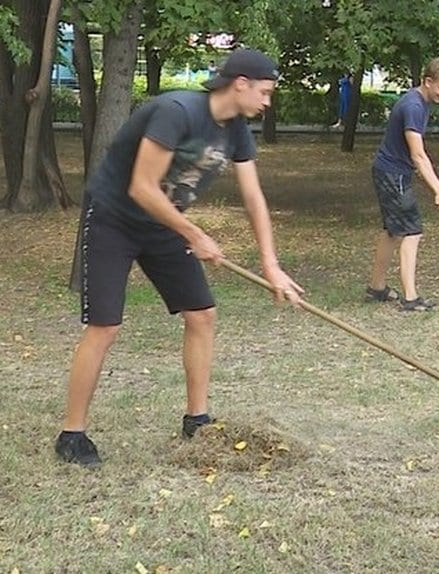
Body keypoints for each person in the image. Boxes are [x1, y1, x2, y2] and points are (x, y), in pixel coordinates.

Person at [55, 48, 305, 467]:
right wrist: (194, 233)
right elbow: (141, 187)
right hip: (114, 219)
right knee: (106, 326)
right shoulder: (177, 112)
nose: (267, 101)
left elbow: (253, 196)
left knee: (201, 313)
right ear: (239, 83)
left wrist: (271, 264)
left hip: (163, 226)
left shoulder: (236, 130)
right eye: (264, 92)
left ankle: (197, 419)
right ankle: (72, 432)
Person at [366, 56, 439, 311]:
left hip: (390, 170)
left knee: (393, 231)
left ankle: (377, 288)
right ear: (427, 82)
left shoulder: (418, 101)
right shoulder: (414, 107)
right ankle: (409, 298)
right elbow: (418, 154)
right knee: (411, 230)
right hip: (392, 174)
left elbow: (411, 152)